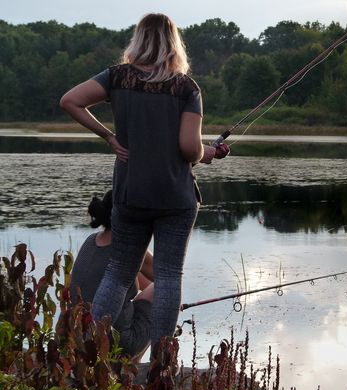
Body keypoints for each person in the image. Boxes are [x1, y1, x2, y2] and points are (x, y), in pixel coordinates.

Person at [60, 13, 229, 355]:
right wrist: (208, 153)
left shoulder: (117, 78)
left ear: (138, 40)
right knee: (168, 277)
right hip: (174, 197)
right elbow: (188, 148)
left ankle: (96, 354)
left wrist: (108, 135)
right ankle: (160, 366)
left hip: (129, 193)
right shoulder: (186, 88)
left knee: (119, 274)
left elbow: (70, 101)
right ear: (173, 43)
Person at [70, 190, 154, 361]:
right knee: (167, 290)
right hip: (118, 343)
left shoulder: (90, 241)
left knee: (130, 274)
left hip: (83, 338)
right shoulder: (130, 248)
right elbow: (167, 278)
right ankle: (135, 363)